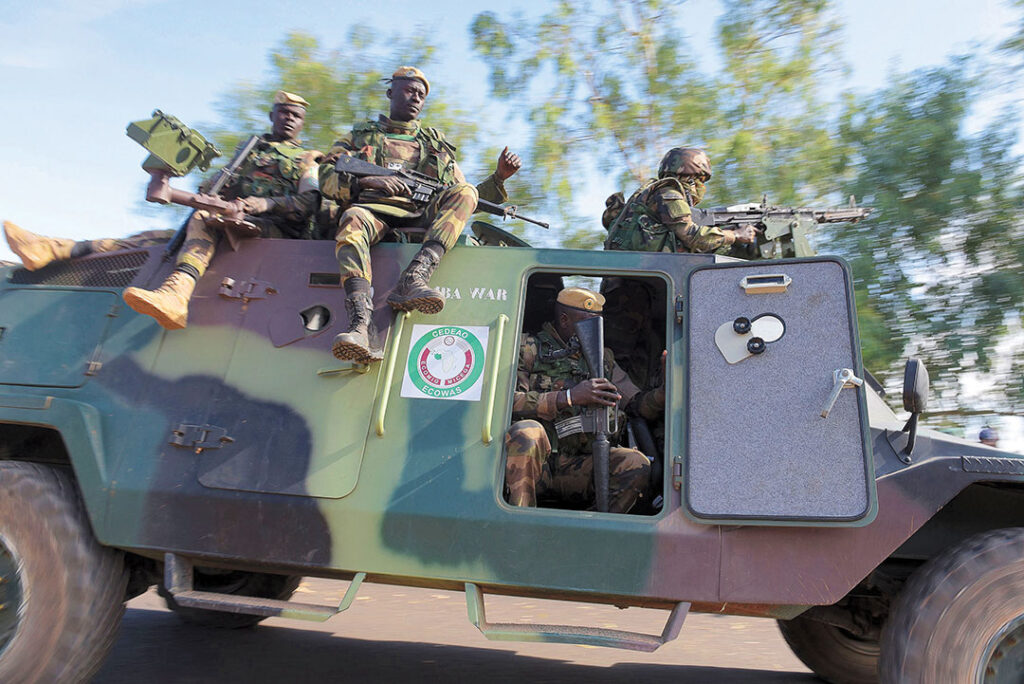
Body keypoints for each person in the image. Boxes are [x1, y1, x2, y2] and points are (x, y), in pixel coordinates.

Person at [320, 66, 522, 364]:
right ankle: (361, 323)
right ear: (391, 92)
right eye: (409, 90)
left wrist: (499, 178)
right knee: (352, 221)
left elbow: (465, 198)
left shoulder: (434, 144)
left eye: (421, 94)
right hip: (373, 211)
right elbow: (326, 176)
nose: (415, 97)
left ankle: (414, 277)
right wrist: (368, 181)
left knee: (465, 191)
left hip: (419, 215)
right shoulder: (359, 136)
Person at [120, 90, 322, 329]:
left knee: (204, 217)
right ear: (272, 115)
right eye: (284, 113)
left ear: (302, 123)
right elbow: (210, 188)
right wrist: (216, 188)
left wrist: (264, 204)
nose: (289, 119)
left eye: (296, 116)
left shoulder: (308, 159)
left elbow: (309, 203)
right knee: (157, 236)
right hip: (237, 217)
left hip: (279, 229)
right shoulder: (249, 151)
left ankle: (177, 294)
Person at [600, 148, 757, 389]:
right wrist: (735, 235)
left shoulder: (647, 193)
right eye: (700, 180)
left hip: (637, 288)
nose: (701, 187)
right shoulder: (667, 192)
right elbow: (693, 236)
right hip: (631, 290)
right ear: (691, 176)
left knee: (641, 365)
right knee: (619, 364)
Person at [504, 286, 665, 514]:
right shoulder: (527, 349)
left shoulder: (603, 359)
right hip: (536, 464)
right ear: (564, 320)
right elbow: (506, 403)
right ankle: (520, 523)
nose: (595, 332)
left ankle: (594, 528)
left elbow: (636, 405)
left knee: (635, 463)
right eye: (588, 324)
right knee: (527, 432)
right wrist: (567, 397)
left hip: (581, 467)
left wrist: (662, 393)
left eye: (599, 324)